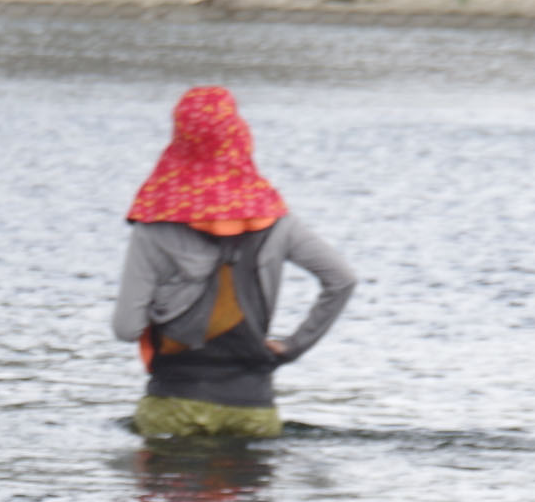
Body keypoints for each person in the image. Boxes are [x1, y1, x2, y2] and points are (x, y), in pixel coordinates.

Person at [113, 87, 355, 440]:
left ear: (179, 139)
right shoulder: (279, 223)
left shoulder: (153, 229)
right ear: (241, 137)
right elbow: (342, 280)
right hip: (253, 410)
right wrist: (292, 345)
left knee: (165, 492)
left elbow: (126, 328)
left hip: (172, 405)